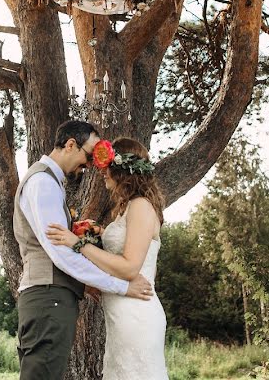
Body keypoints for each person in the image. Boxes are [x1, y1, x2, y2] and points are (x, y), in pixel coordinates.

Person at [13, 120, 154, 380]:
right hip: (49, 297)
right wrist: (121, 286)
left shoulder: (48, 181)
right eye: (89, 156)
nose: (91, 166)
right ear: (70, 145)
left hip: (50, 296)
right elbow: (61, 254)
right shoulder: (43, 183)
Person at [47, 137, 168, 380]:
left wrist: (78, 244)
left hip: (136, 313)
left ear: (123, 169)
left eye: (106, 167)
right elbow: (123, 249)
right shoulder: (129, 208)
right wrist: (99, 234)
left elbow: (130, 267)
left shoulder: (141, 206)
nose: (101, 172)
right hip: (121, 313)